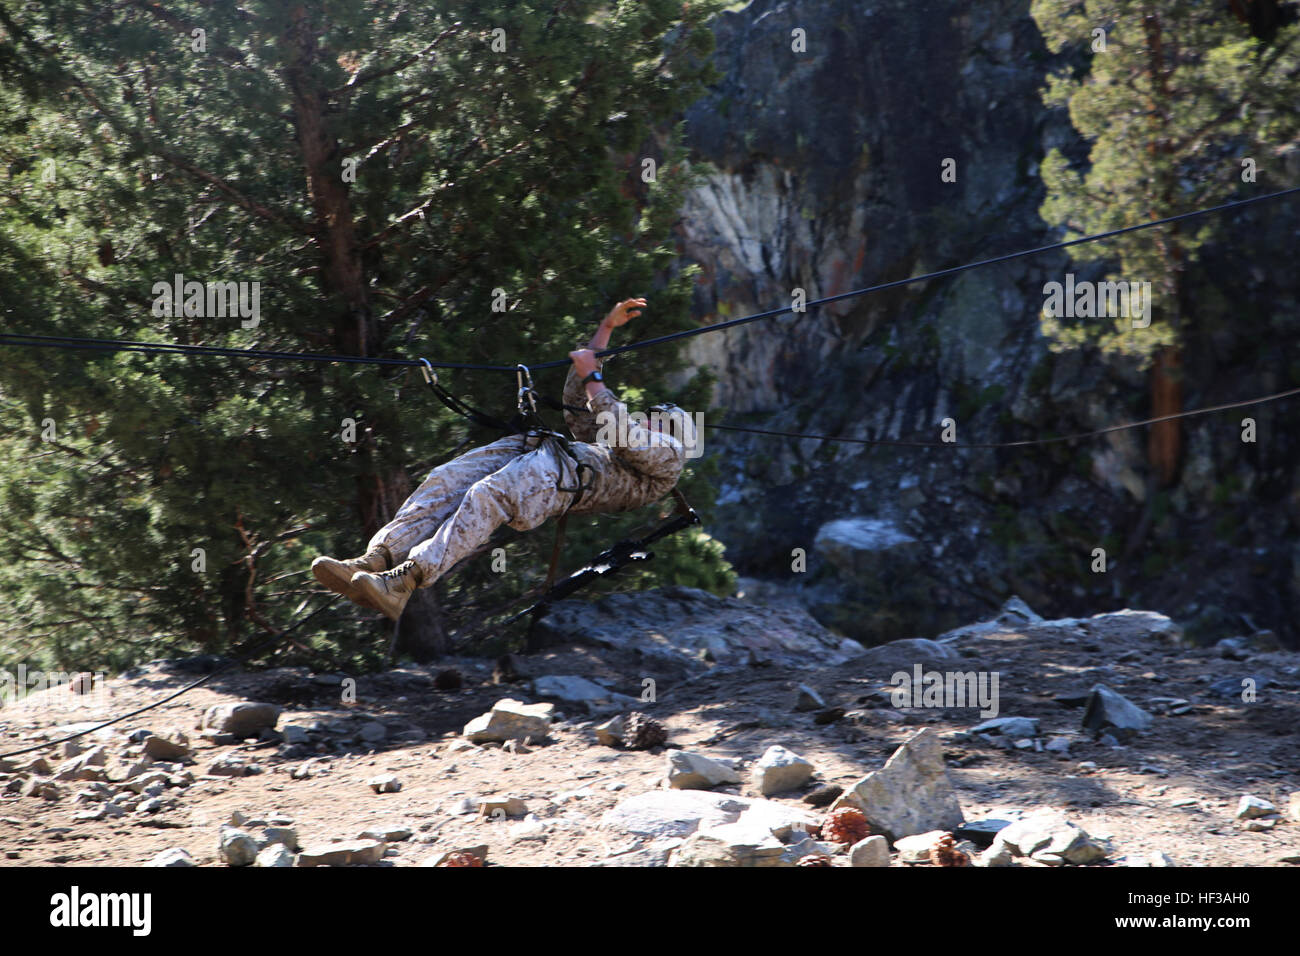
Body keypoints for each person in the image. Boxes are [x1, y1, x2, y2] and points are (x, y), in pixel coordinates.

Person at [310, 298, 697, 620]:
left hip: (558, 480)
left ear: (670, 431)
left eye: (656, 417)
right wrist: (605, 330)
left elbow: (622, 427)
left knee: (487, 495)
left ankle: (403, 582)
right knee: (445, 480)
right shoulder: (614, 445)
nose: (647, 416)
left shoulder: (667, 461)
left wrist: (594, 373)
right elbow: (580, 405)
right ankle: (374, 560)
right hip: (540, 452)